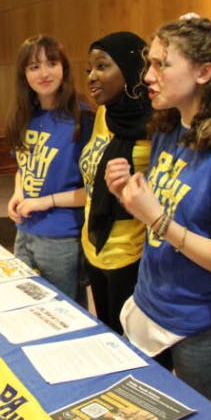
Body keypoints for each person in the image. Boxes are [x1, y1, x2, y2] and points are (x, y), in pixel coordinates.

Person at [105, 16, 211, 412]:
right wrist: (130, 194)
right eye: (150, 63)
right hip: (155, 304)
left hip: (203, 323)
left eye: (161, 64)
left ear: (204, 72)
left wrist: (158, 220)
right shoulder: (169, 127)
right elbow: (170, 206)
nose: (147, 75)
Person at [6, 35, 94, 300]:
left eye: (51, 63)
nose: (44, 73)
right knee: (25, 305)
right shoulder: (25, 115)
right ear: (24, 75)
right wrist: (18, 192)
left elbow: (92, 192)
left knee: (63, 313)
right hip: (25, 230)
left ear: (63, 67)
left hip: (61, 238)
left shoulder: (82, 117)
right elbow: (23, 166)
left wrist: (44, 202)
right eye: (34, 67)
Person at [79, 32, 152, 334]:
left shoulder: (157, 124)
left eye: (102, 66)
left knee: (134, 348)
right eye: (89, 69)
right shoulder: (104, 115)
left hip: (132, 255)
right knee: (108, 336)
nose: (92, 77)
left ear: (131, 69)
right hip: (95, 244)